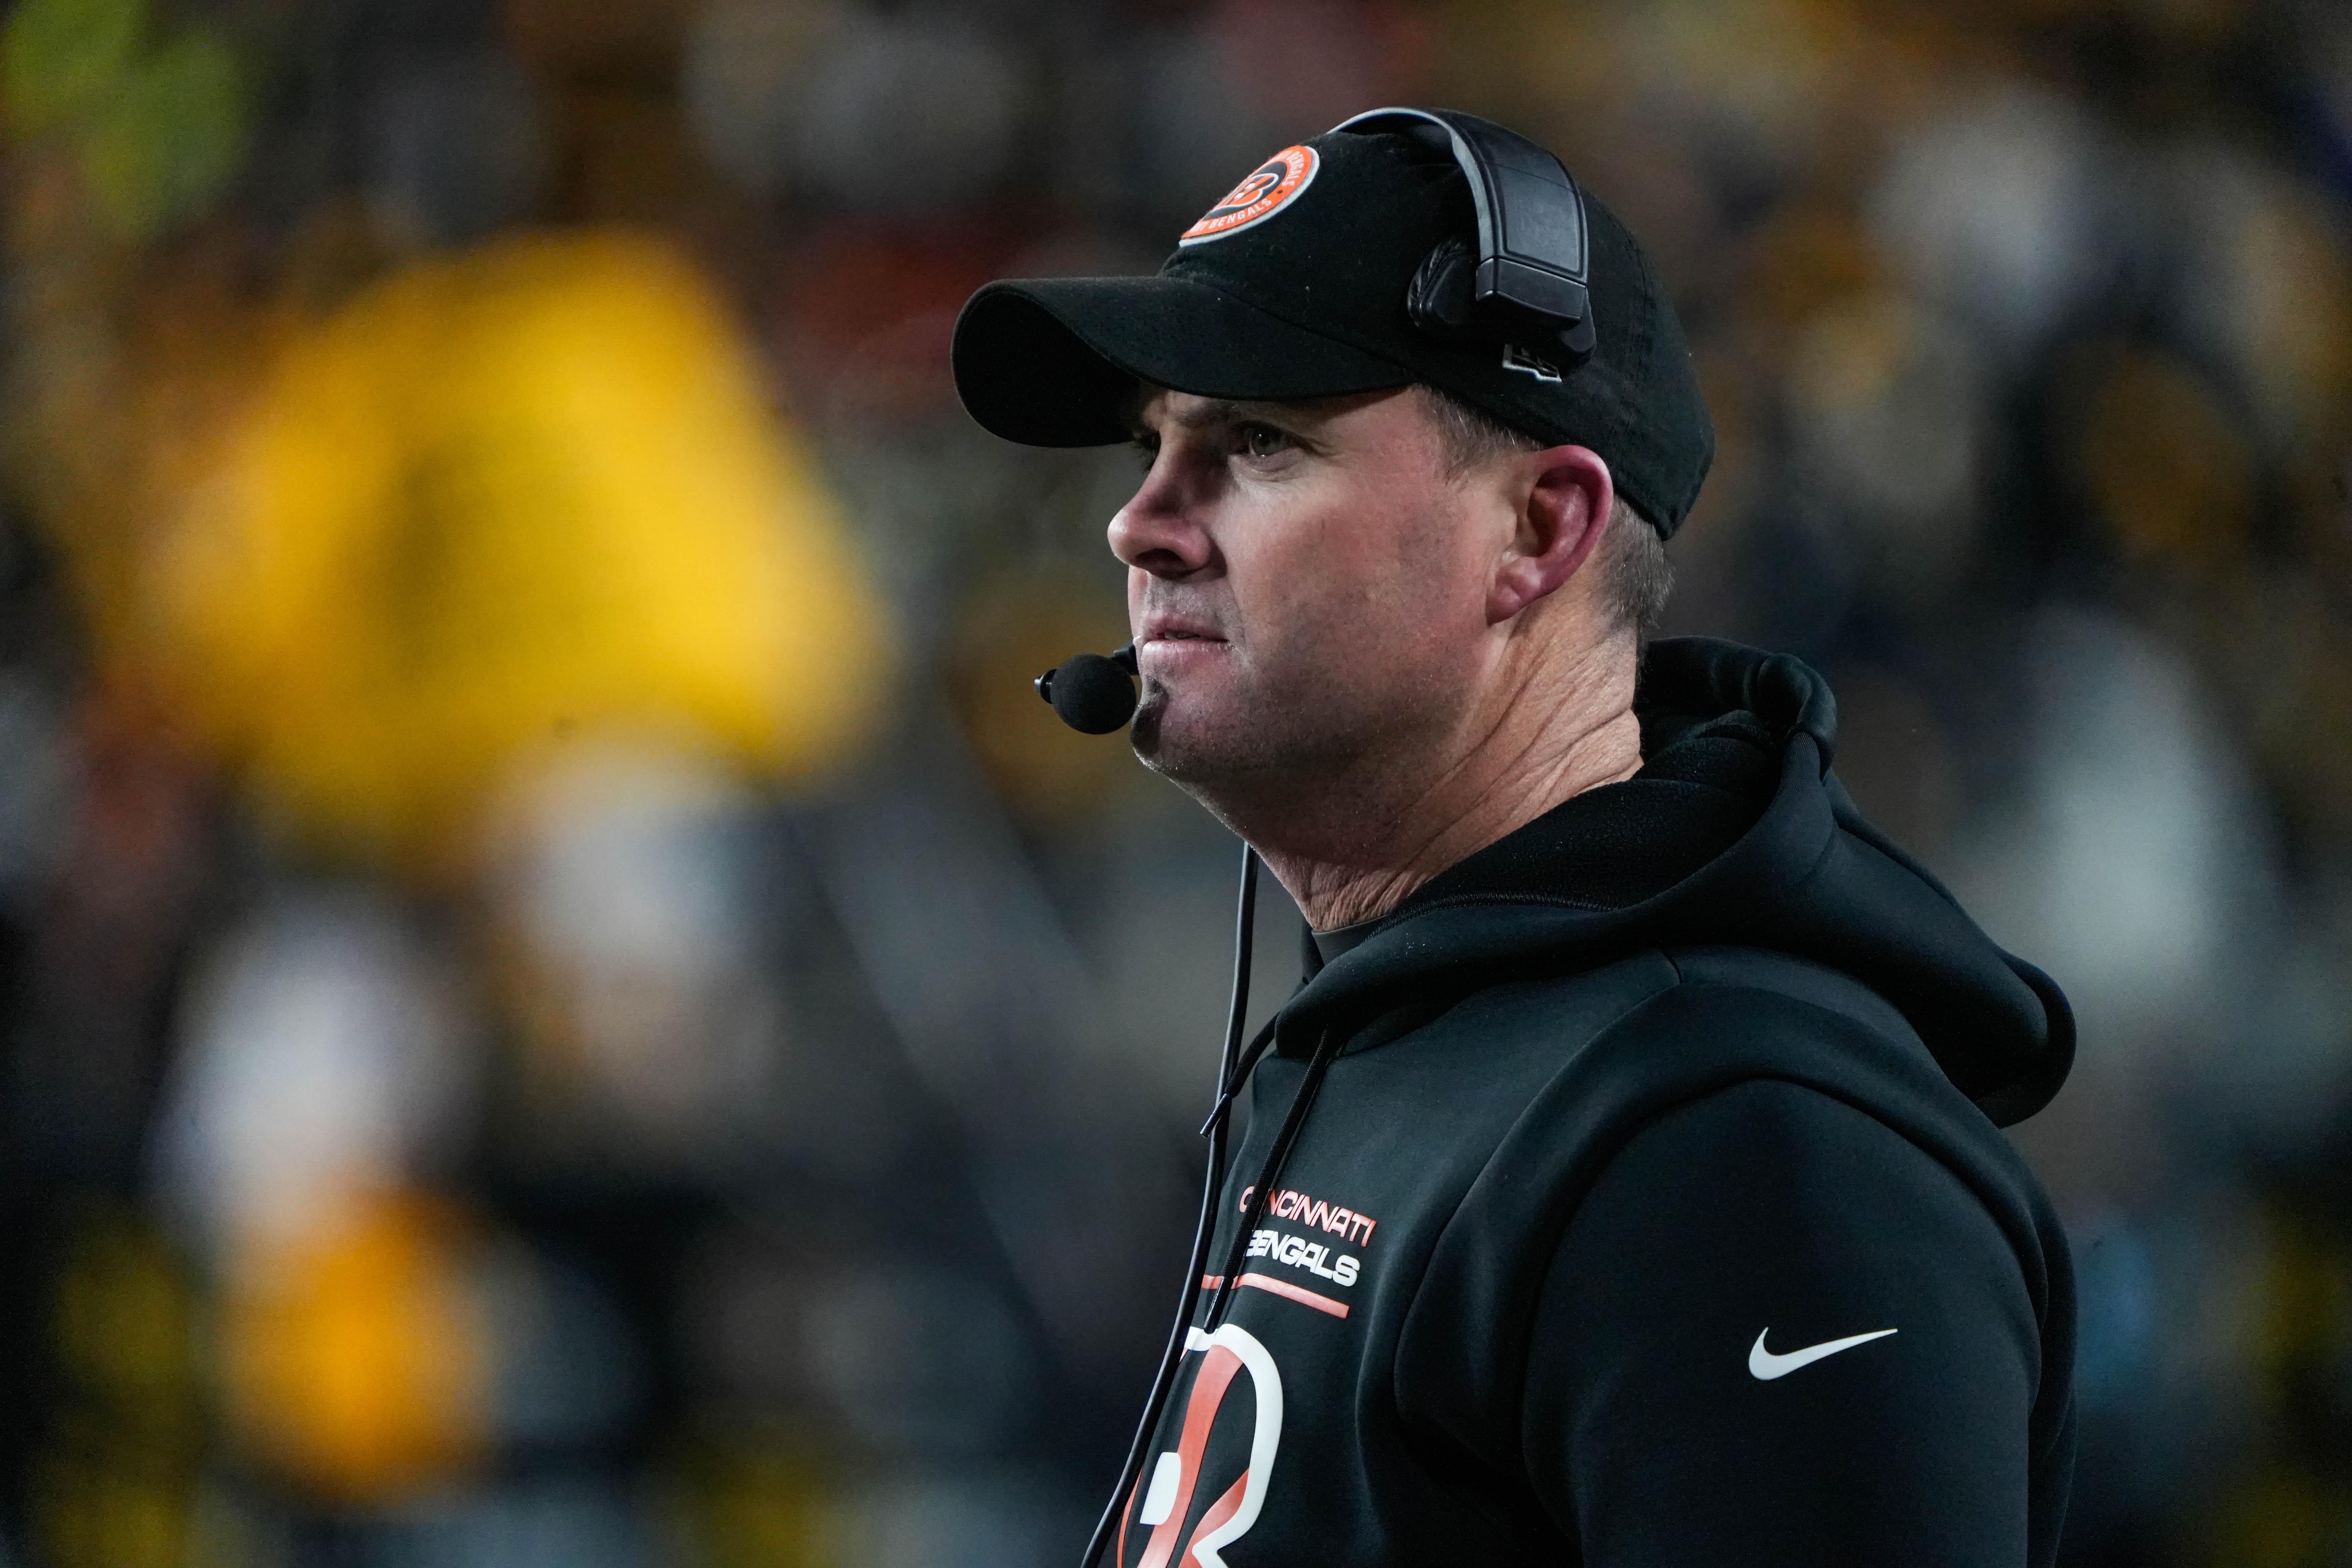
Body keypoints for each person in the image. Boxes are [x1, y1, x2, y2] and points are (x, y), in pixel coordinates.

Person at [951, 110, 2075, 1568]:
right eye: (1153, 443)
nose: (1139, 524)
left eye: (1257, 443)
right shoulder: (1396, 1037)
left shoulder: (1747, 1146)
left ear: (1539, 529)